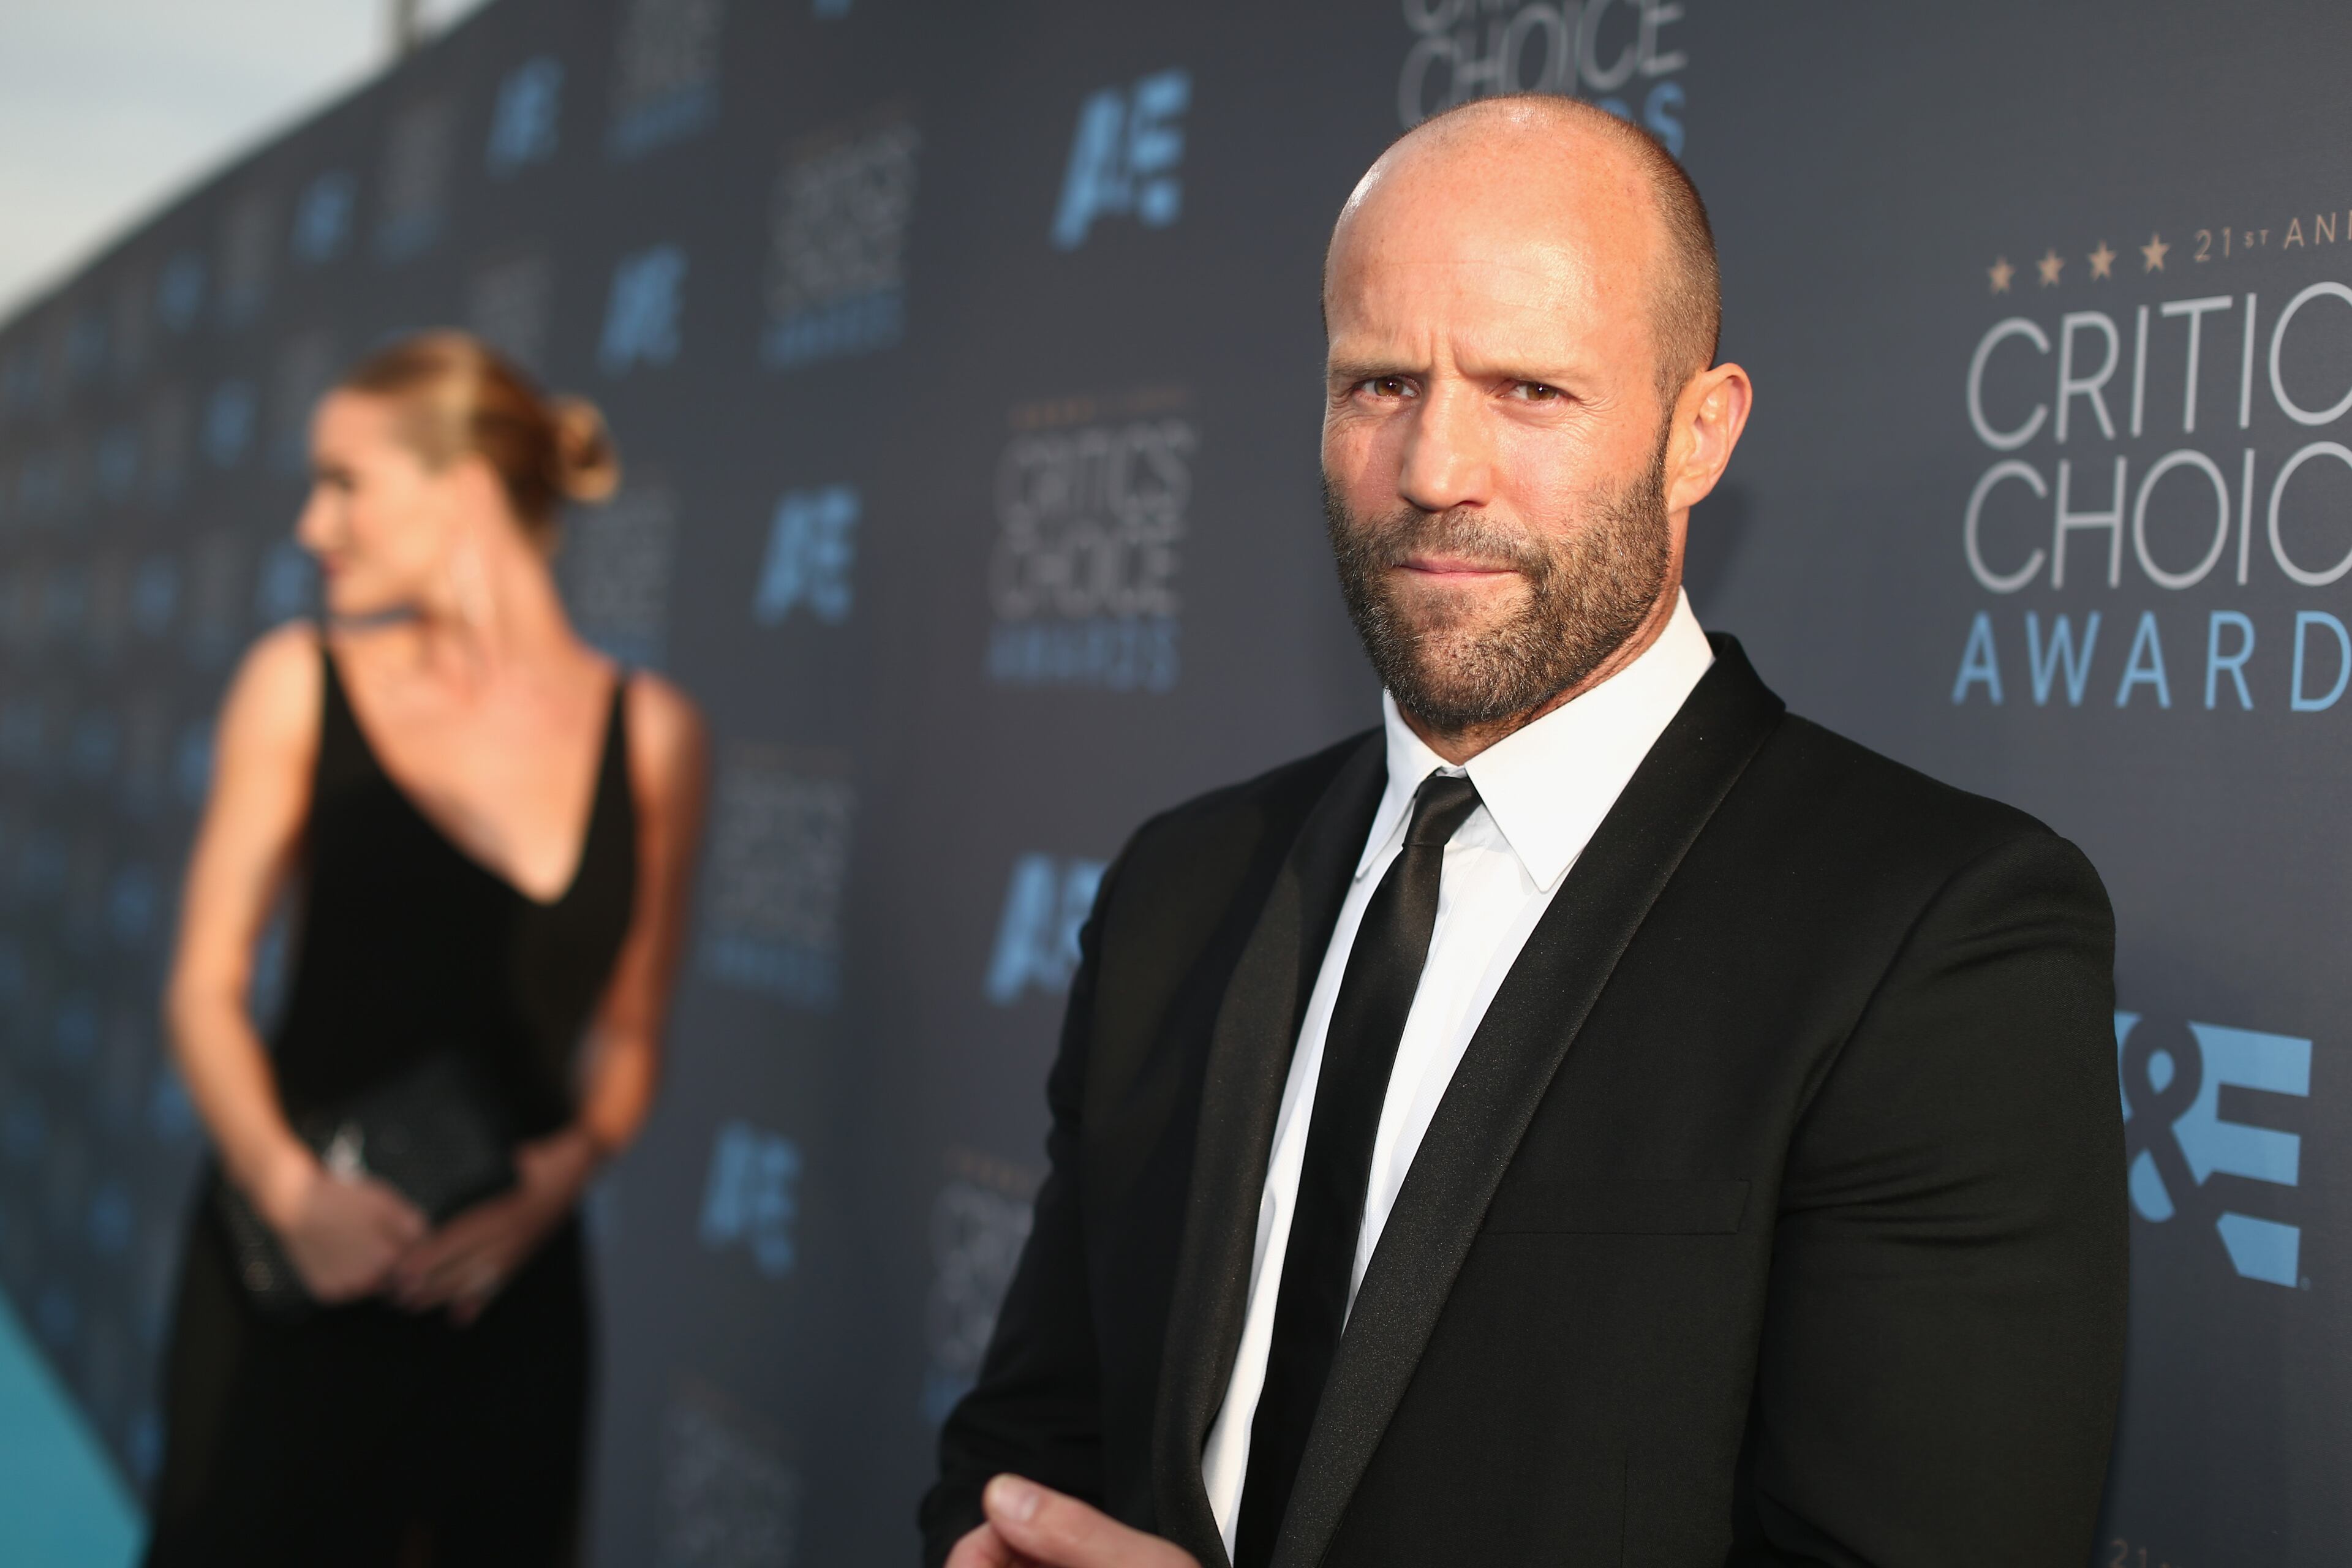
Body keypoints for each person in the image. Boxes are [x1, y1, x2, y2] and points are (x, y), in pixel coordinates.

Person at [922, 96, 2127, 1568]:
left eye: (1531, 390)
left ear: (1698, 433)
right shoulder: (1183, 887)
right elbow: (1028, 1448)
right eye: (1379, 383)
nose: (1435, 468)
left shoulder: (1930, 943)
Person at [146, 332, 709, 1564]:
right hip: (294, 1271)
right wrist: (293, 1196)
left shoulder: (656, 735)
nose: (313, 524)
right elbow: (203, 984)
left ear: (459, 488)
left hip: (504, 1292)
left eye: (344, 482)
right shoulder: (296, 682)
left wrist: (560, 1177)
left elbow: (632, 1030)